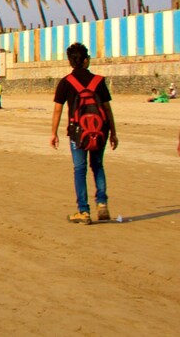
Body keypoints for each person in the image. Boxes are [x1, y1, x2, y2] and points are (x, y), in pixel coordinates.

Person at [50, 42, 118, 225]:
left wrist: (53, 133)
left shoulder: (66, 83)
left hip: (78, 132)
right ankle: (102, 204)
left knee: (79, 169)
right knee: (97, 166)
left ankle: (84, 211)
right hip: (100, 130)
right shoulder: (99, 81)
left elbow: (57, 110)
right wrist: (113, 132)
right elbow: (107, 109)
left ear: (70, 62)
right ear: (86, 60)